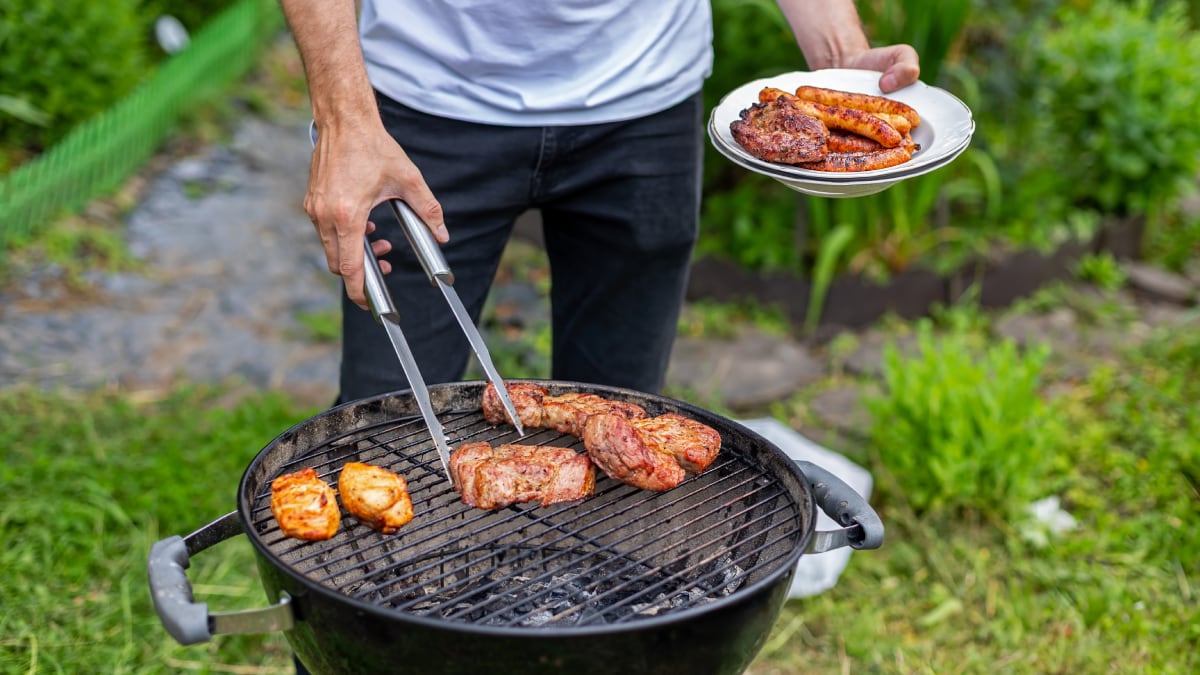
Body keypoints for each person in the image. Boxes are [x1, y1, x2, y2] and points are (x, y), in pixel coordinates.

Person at [279, 0, 919, 408]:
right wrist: (344, 121)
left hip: (647, 104)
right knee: (387, 425)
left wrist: (839, 62)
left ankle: (597, 613)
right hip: (425, 104)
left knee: (621, 419)